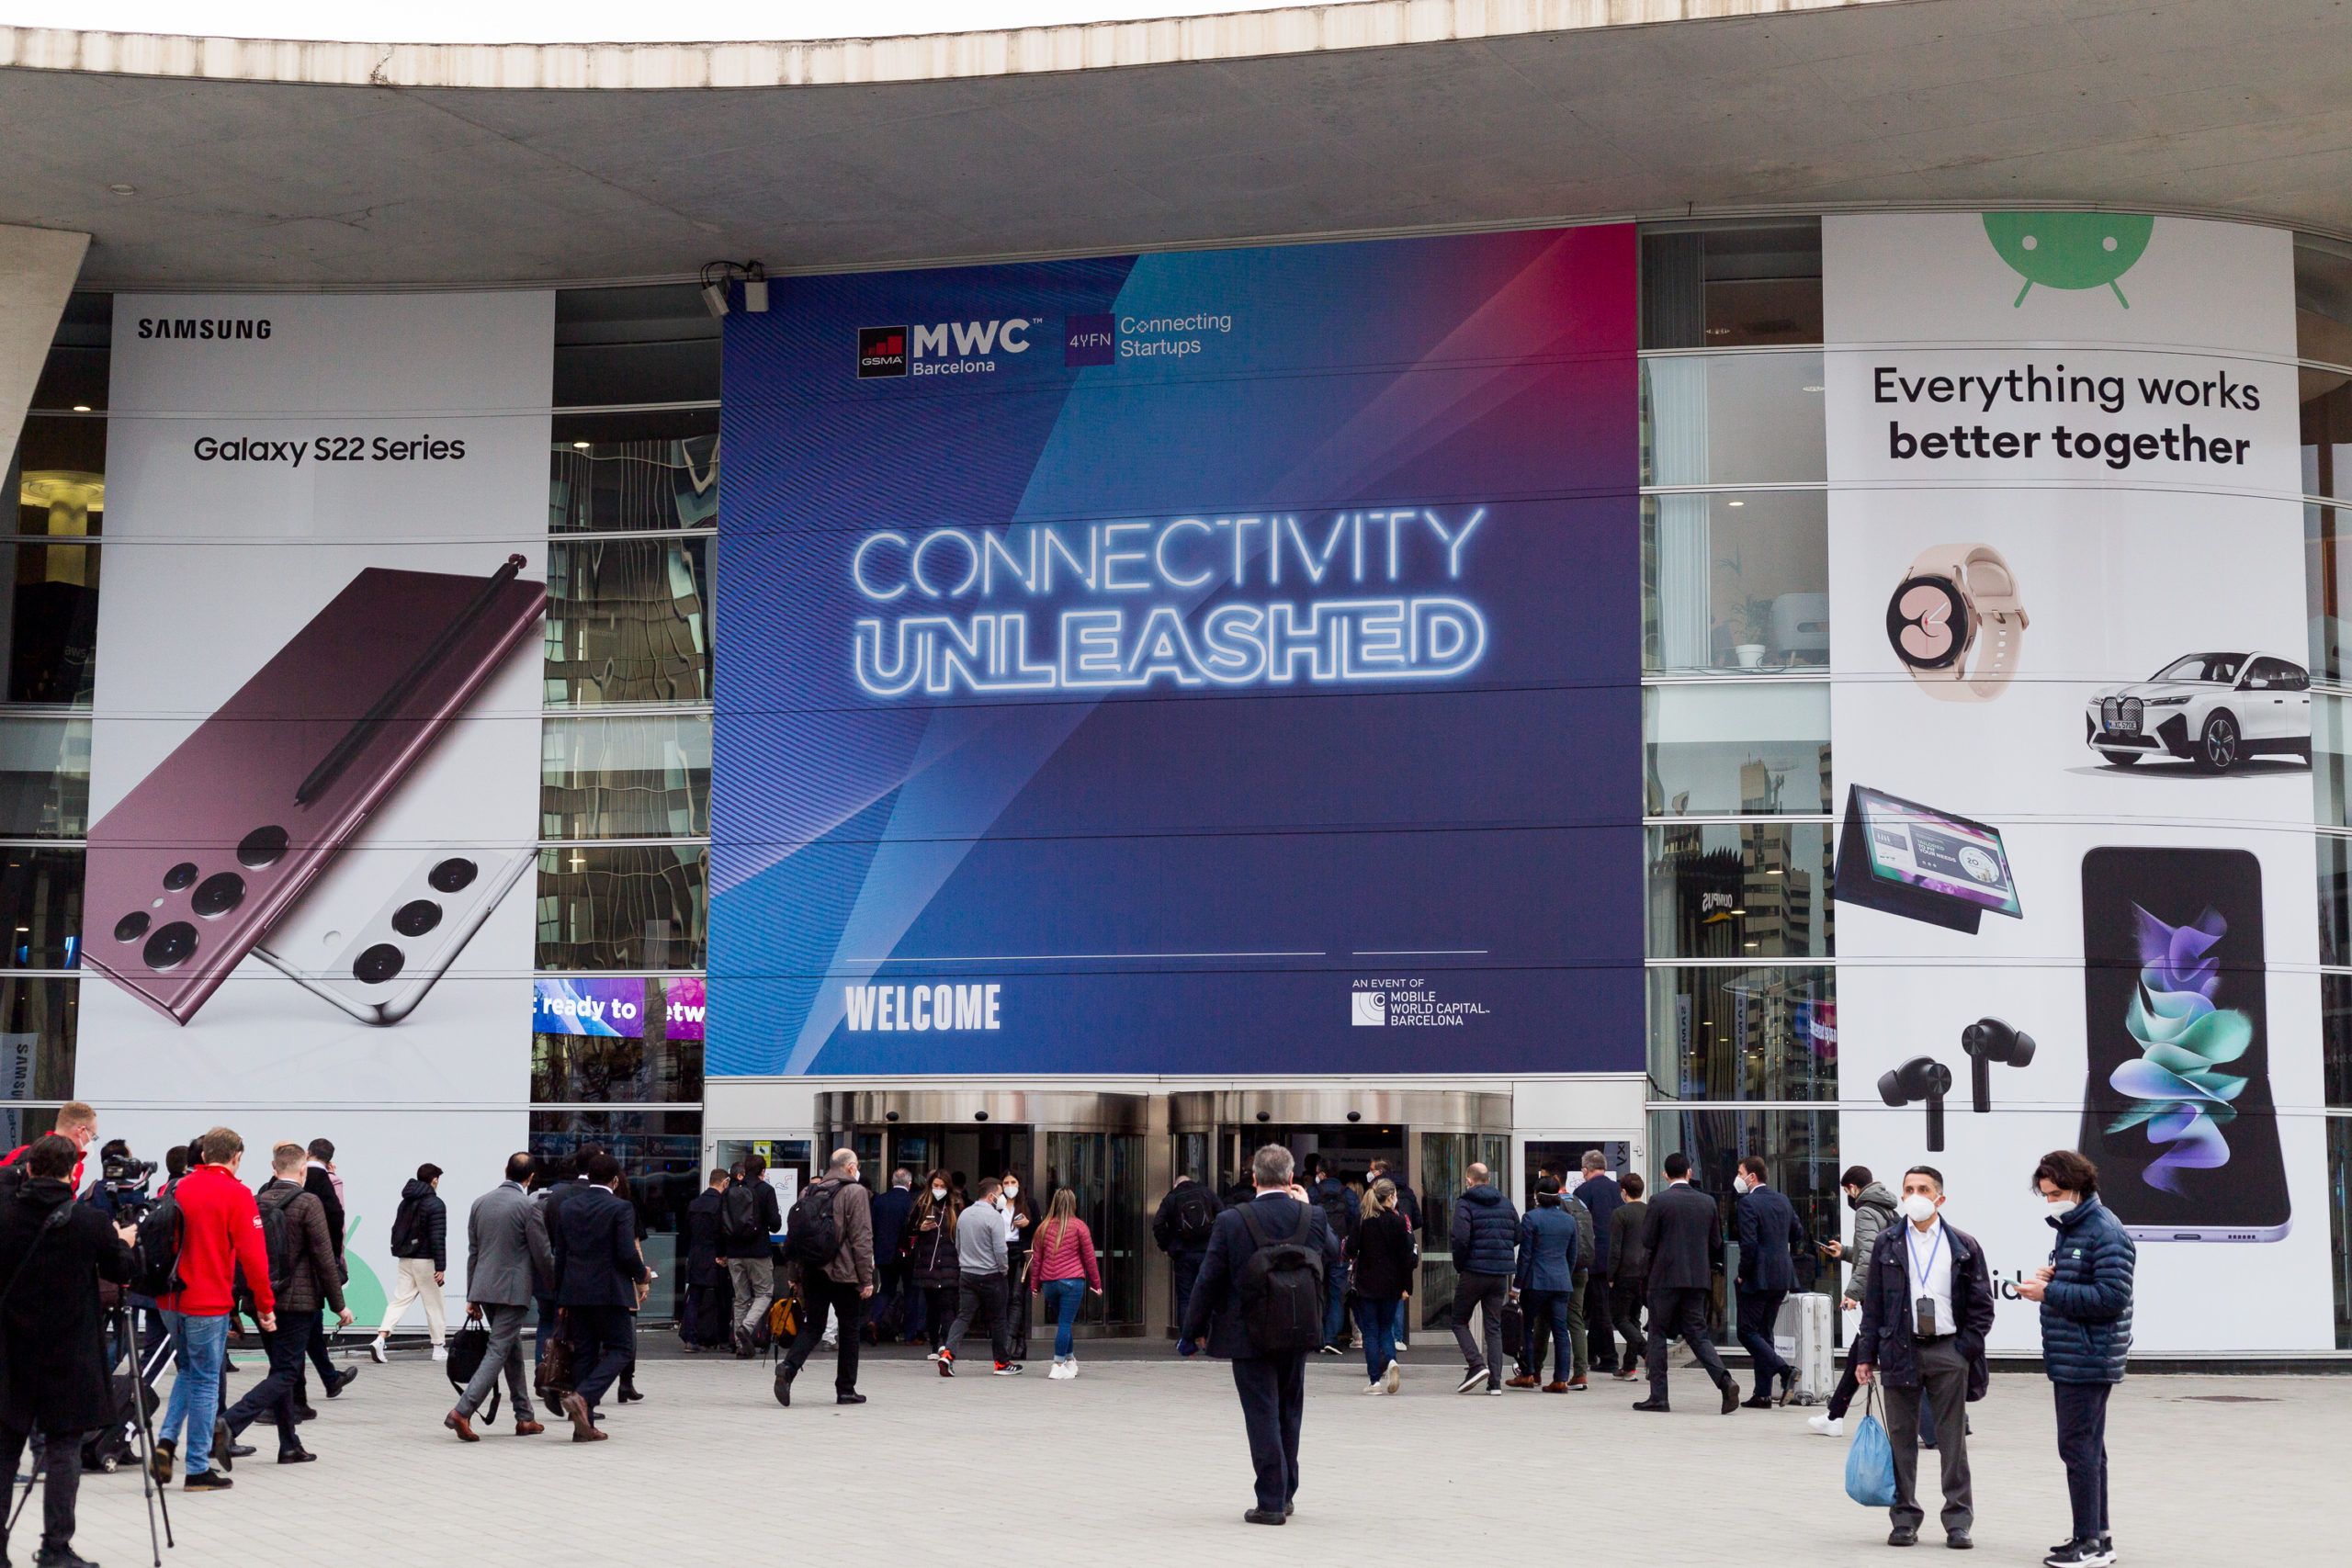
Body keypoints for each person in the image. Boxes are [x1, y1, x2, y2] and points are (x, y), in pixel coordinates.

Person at [1178, 1144, 1338, 1526]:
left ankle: (1269, 1502)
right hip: (1298, 1329)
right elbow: (1333, 1252)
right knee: (1289, 1410)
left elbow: (1208, 1280)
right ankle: (1285, 1494)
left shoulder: (1232, 1221)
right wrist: (1309, 1203)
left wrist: (1192, 1333)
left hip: (1246, 1334)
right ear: (1290, 1177)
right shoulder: (1311, 1216)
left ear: (1253, 1178)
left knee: (1261, 1413)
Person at [0, 1134, 137, 1566]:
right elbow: (122, 1273)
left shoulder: (3, 1214)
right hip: (68, 1353)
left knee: (4, 1453)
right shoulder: (90, 1221)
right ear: (67, 1172)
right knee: (63, 1451)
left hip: (8, 1352)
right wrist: (126, 1243)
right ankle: (55, 1547)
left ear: (31, 1167)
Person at [1854, 1165, 1995, 1551]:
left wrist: (1963, 1350)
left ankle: (1958, 1521)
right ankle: (1904, 1518)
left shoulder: (1963, 1245)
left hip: (1948, 1351)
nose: (1915, 1195)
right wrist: (1866, 1356)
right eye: (1909, 1189)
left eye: (1923, 1189)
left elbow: (1982, 1306)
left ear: (1940, 1198)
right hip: (1901, 1349)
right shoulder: (1887, 1243)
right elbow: (1874, 1305)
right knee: (1902, 1438)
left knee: (1952, 1442)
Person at [2018, 1149, 2134, 1568]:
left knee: (2078, 1449)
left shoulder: (2104, 1230)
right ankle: (2095, 1536)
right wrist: (2055, 1277)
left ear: (2081, 1187)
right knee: (2088, 1449)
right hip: (2077, 1355)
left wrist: (2048, 1293)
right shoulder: (2075, 1226)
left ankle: (2091, 1545)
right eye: (2047, 1195)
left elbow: (2111, 1297)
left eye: (2058, 1193)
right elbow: (2089, 1283)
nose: (2052, 1201)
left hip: (2088, 1356)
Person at [156, 1127, 276, 1491]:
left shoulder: (175, 1187)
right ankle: (196, 1469)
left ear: (204, 1154)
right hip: (207, 1301)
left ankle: (165, 1442)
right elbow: (255, 1258)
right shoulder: (237, 1194)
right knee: (207, 1380)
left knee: (189, 1372)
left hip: (169, 1299)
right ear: (236, 1157)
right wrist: (265, 1306)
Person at [218, 1142, 348, 1465]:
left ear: (274, 1169)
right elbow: (324, 1258)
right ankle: (229, 1423)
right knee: (287, 1372)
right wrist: (339, 1305)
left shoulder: (255, 1199)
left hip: (259, 1299)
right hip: (297, 1303)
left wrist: (235, 1304)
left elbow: (238, 1254)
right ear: (303, 1170)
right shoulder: (308, 1203)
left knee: (280, 1369)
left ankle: (289, 1445)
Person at [446, 1151, 553, 1441]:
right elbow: (542, 1253)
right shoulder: (529, 1206)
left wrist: (472, 1294)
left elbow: (474, 1252)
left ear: (505, 1169)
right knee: (498, 1349)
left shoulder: (480, 1202)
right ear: (531, 1178)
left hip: (485, 1288)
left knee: (510, 1346)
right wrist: (556, 1285)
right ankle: (462, 1411)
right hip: (513, 1290)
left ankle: (525, 1416)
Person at [549, 1152, 645, 1441]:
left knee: (585, 1354)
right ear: (615, 1180)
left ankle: (584, 1427)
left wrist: (560, 1296)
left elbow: (560, 1255)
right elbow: (626, 1253)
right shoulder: (621, 1208)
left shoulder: (568, 1207)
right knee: (621, 1349)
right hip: (609, 1292)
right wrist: (641, 1274)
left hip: (575, 1292)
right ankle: (584, 1397)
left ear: (588, 1177)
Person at [1633, 1152, 1737, 1415]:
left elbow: (1647, 1240)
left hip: (1664, 1279)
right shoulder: (1707, 1202)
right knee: (1698, 1335)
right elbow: (1716, 1244)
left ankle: (1659, 1396)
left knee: (1657, 1333)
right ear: (1689, 1172)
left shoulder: (1659, 1201)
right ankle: (1725, 1381)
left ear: (1665, 1174)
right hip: (1697, 1279)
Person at [775, 1148, 876, 1406]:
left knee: (813, 1326)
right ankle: (845, 1390)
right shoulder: (856, 1192)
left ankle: (788, 1369)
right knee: (850, 1329)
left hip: (812, 1271)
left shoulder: (809, 1192)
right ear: (851, 1167)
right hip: (844, 1274)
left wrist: (794, 1276)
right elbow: (861, 1239)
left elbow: (795, 1237)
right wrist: (867, 1279)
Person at [1810, 1166, 1899, 1436]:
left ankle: (1834, 1417)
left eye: (1846, 1190)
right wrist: (1845, 1252)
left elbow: (1871, 1256)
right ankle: (1834, 1416)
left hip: (1877, 1297)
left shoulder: (1865, 1211)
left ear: (1852, 1188)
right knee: (1858, 1358)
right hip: (1888, 1294)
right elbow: (1874, 1250)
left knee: (1871, 1357)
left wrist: (1852, 1293)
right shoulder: (1887, 1208)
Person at [1733, 1155, 1806, 1407]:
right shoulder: (1782, 1200)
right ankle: (1763, 1394)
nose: (1738, 1178)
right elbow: (1798, 1232)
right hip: (1782, 1274)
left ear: (1752, 1176)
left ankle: (1785, 1371)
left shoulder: (1748, 1204)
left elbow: (1749, 1244)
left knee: (1746, 1332)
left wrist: (1743, 1272)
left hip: (1757, 1277)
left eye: (1741, 1173)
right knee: (1764, 1333)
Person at [1446, 1161, 1519, 1394]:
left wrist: (1461, 1265)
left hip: (1474, 1271)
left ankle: (1476, 1364)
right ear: (1489, 1179)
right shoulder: (1506, 1203)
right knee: (1493, 1327)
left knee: (1458, 1320)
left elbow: (1460, 1239)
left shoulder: (1465, 1204)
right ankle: (1495, 1384)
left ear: (1469, 1180)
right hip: (1500, 1275)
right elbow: (1517, 1234)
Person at [937, 1177, 1017, 1376]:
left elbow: (958, 1244)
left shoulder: (964, 1215)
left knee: (963, 1316)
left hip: (967, 1274)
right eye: (999, 1194)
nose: (1002, 1198)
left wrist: (965, 1262)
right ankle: (1001, 1363)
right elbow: (1000, 1250)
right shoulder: (994, 1218)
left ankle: (948, 1354)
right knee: (998, 1319)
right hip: (992, 1275)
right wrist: (1003, 1269)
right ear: (991, 1196)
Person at [370, 1162, 449, 1363]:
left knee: (400, 1300)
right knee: (434, 1303)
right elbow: (437, 1237)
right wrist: (441, 1267)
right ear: (434, 1180)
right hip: (426, 1261)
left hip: (406, 1259)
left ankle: (380, 1338)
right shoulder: (435, 1203)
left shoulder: (406, 1201)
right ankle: (438, 1347)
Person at [1507, 1173, 1579, 1392]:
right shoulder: (1569, 1220)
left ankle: (1528, 1374)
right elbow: (1572, 1255)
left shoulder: (1531, 1218)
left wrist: (1516, 1286)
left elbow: (1525, 1256)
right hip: (1561, 1282)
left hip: (1535, 1282)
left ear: (1537, 1195)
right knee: (1560, 1331)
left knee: (1527, 1328)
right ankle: (1560, 1379)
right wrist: (1565, 1274)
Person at [296, 1137, 354, 1409]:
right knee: (307, 1325)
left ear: (308, 1153)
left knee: (311, 1325)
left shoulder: (291, 1179)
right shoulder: (330, 1185)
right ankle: (320, 1386)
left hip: (288, 1269)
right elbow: (337, 1229)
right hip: (315, 1268)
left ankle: (328, 1380)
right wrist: (338, 1263)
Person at [1346, 1178, 1413, 1393]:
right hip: (1392, 1284)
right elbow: (1406, 1258)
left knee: (1371, 1332)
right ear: (1391, 1197)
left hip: (1367, 1284)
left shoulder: (1362, 1219)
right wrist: (1407, 1287)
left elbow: (1350, 1249)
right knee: (1386, 1328)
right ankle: (1392, 1361)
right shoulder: (1399, 1221)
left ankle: (1374, 1380)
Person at [1028, 1186, 1102, 1378]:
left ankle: (1070, 1360)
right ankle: (1058, 1364)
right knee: (1065, 1323)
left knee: (1063, 1322)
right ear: (1074, 1204)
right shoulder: (1079, 1226)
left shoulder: (1042, 1228)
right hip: (1071, 1281)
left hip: (1049, 1283)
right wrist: (1096, 1283)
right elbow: (1089, 1258)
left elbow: (1037, 1259)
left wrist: (1034, 1285)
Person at [721, 1153, 781, 1358]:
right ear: (763, 1171)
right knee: (764, 1293)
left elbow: (720, 1223)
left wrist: (722, 1252)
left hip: (734, 1252)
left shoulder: (730, 1191)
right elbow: (775, 1224)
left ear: (744, 1170)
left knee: (740, 1298)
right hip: (758, 1251)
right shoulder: (766, 1190)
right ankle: (746, 1328)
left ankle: (741, 1346)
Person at [1151, 1170, 1223, 1335]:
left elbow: (1158, 1224)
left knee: (1185, 1297)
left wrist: (1166, 1247)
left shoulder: (1172, 1198)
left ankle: (1187, 1339)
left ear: (1175, 1185)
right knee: (1208, 1294)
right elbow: (1222, 1214)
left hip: (1183, 1254)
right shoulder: (1206, 1193)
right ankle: (1209, 1336)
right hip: (1207, 1252)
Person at [1573, 1151, 1624, 1378]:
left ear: (1585, 1170)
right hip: (1616, 1257)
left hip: (1592, 1258)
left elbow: (1579, 1226)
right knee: (1597, 1306)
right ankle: (1592, 1352)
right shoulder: (1617, 1189)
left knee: (1600, 1307)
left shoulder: (1583, 1191)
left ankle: (1609, 1358)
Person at [906, 1169, 961, 1358]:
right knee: (932, 1306)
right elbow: (907, 1231)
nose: (938, 1190)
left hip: (949, 1262)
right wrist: (919, 1229)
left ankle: (947, 1345)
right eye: (935, 1186)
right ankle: (934, 1345)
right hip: (927, 1263)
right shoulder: (921, 1205)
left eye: (942, 1187)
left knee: (948, 1306)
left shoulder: (955, 1207)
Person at [1553, 1170, 1598, 1387]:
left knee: (1544, 1320)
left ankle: (1532, 1371)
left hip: (1561, 1269)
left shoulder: (1556, 1205)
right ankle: (1581, 1372)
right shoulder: (1578, 1202)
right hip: (1582, 1269)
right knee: (1576, 1321)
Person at [1306, 1158, 1355, 1354]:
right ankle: (1331, 1339)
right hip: (1340, 1251)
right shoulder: (1349, 1194)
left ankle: (1314, 1337)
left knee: (1314, 1293)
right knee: (1336, 1295)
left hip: (1315, 1250)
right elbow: (1356, 1220)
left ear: (1322, 1174)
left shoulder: (1311, 1192)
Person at [0, 1101, 96, 1199]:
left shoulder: (21, 1151)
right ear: (81, 1131)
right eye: (92, 1136)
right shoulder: (72, 1162)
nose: (90, 1141)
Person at [679, 1168, 729, 1352]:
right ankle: (723, 1339)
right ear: (724, 1183)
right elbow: (722, 1233)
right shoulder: (721, 1205)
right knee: (722, 1299)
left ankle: (690, 1340)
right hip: (715, 1256)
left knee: (694, 1298)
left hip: (696, 1255)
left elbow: (686, 1233)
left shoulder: (694, 1204)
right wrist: (724, 1255)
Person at [1607, 1172, 1648, 1379]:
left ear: (1623, 1192)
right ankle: (1629, 1366)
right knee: (1634, 1318)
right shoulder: (1650, 1212)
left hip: (1624, 1272)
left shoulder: (1620, 1214)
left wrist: (1611, 1276)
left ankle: (1645, 1350)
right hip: (1645, 1273)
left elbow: (1615, 1248)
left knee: (1620, 1318)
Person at [870, 1168, 915, 1343]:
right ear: (909, 1184)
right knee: (911, 1291)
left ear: (892, 1182)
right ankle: (910, 1335)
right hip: (906, 1254)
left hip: (884, 1253)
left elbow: (872, 1227)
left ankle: (874, 1320)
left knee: (886, 1290)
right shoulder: (911, 1201)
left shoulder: (880, 1200)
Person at [999, 1169, 1037, 1361]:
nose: (1009, 1186)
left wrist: (1028, 1224)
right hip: (1001, 1252)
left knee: (1016, 1296)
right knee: (1005, 1298)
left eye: (1013, 1182)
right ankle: (1020, 1341)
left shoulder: (1029, 1204)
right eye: (1006, 1183)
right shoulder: (998, 1205)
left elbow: (1038, 1230)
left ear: (1019, 1184)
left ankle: (1008, 1342)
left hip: (1021, 1253)